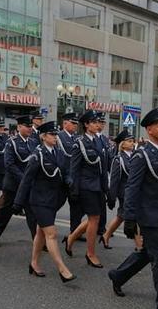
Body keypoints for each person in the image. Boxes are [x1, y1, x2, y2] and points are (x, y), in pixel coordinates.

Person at [107, 108, 158, 309]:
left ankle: (118, 275)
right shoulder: (142, 155)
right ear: (149, 129)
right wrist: (130, 218)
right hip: (148, 215)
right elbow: (132, 188)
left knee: (147, 253)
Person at [14, 121, 76, 282]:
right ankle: (63, 270)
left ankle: (34, 263)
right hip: (39, 200)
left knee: (41, 234)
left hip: (54, 200)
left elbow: (65, 170)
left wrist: (68, 180)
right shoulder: (37, 155)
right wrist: (18, 202)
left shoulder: (58, 152)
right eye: (52, 134)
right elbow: (26, 180)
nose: (56, 137)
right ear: (43, 136)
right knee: (52, 233)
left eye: (56, 134)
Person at [64, 110, 108, 268]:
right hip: (85, 186)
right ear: (86, 124)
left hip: (97, 186)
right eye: (94, 122)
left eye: (99, 122)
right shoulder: (80, 142)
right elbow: (74, 168)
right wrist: (74, 190)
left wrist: (106, 188)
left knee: (93, 219)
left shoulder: (100, 141)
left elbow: (103, 167)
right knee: (94, 218)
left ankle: (71, 238)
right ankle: (90, 253)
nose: (98, 125)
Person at [0, 115, 37, 247]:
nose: (30, 129)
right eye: (27, 126)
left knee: (32, 214)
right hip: (13, 185)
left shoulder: (33, 142)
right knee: (5, 213)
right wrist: (23, 178)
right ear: (19, 127)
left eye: (30, 126)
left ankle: (38, 241)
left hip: (27, 185)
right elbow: (9, 164)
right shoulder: (12, 142)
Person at [102, 129, 135, 248]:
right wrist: (112, 198)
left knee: (121, 217)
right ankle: (140, 245)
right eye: (129, 141)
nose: (132, 143)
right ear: (122, 144)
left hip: (133, 192)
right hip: (124, 193)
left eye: (133, 141)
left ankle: (106, 235)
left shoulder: (135, 156)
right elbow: (114, 181)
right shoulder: (119, 159)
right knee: (133, 217)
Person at [57, 112, 82, 234]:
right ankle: (43, 230)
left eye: (76, 124)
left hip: (74, 178)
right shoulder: (58, 137)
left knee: (76, 206)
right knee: (55, 205)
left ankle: (75, 232)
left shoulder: (77, 138)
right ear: (65, 123)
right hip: (62, 178)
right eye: (73, 123)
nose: (76, 126)